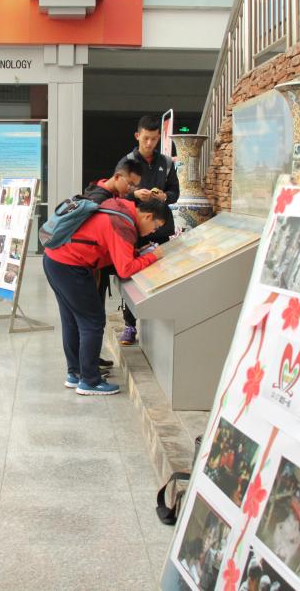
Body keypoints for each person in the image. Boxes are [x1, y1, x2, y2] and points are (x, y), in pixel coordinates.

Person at [43, 197, 170, 395]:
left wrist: (136, 253)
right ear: (147, 216)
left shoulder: (118, 208)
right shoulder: (123, 226)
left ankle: (76, 373)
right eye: (156, 226)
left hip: (54, 259)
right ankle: (90, 381)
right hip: (71, 266)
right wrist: (153, 256)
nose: (153, 232)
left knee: (72, 320)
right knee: (92, 322)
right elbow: (125, 269)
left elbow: (107, 243)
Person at [117, 115, 180, 346]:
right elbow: (117, 193)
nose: (149, 143)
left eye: (154, 139)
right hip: (135, 230)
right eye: (145, 138)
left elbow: (175, 193)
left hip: (161, 229)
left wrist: (164, 196)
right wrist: (135, 195)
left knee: (162, 275)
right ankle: (130, 325)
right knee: (133, 277)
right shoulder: (127, 162)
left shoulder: (166, 162)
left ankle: (159, 322)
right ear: (137, 136)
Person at [80, 159, 144, 369]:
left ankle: (90, 362)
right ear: (117, 177)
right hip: (91, 268)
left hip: (94, 267)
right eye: (130, 184)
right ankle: (88, 367)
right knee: (92, 320)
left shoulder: (102, 192)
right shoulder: (100, 200)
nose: (131, 189)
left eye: (135, 186)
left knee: (93, 318)